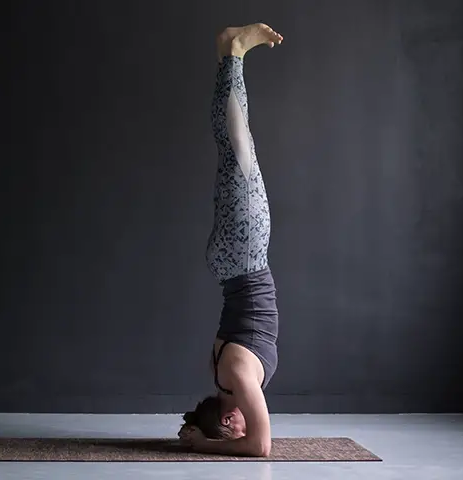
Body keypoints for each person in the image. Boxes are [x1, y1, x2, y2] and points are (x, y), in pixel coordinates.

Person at [178, 23, 283, 457]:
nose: (244, 423)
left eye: (233, 428)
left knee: (238, 146)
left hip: (244, 255)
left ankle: (232, 52)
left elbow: (259, 447)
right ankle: (230, 56)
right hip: (234, 260)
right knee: (236, 150)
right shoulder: (221, 374)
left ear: (226, 417)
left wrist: (203, 444)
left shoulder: (236, 374)